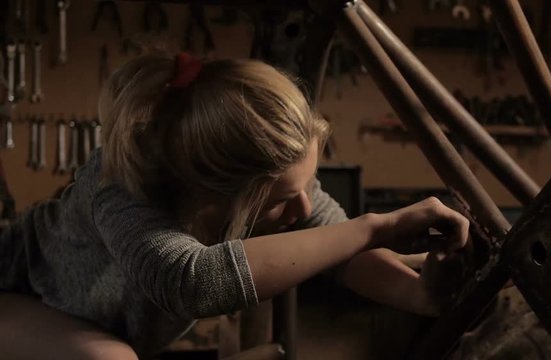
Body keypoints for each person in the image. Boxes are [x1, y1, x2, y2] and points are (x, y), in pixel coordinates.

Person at [0, 53, 469, 360]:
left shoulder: (268, 186)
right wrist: (376, 227)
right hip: (16, 298)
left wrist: (418, 294)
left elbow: (341, 251)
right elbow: (193, 283)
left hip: (97, 321)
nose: (304, 205)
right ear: (210, 192)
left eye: (308, 185)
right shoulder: (118, 185)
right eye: (284, 198)